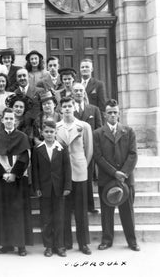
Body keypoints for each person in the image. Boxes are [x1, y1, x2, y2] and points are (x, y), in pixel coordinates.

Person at [93, 99, 140, 251]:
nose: (112, 115)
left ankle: (132, 241)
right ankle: (107, 240)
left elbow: (133, 154)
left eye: (115, 112)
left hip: (125, 180)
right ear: (104, 115)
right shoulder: (98, 134)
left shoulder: (129, 131)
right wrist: (114, 173)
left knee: (127, 211)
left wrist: (124, 173)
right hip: (107, 179)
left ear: (119, 114)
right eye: (109, 113)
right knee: (107, 212)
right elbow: (98, 157)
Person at [0, 108, 33, 256]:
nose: (9, 121)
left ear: (16, 121)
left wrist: (14, 174)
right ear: (2, 121)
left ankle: (21, 245)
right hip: (3, 180)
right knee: (4, 212)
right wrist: (3, 174)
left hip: (18, 181)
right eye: (6, 118)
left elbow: (25, 158)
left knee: (18, 213)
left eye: (11, 118)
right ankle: (6, 244)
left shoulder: (22, 137)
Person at [56, 96, 93, 255]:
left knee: (81, 209)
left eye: (70, 106)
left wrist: (82, 163)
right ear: (60, 109)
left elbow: (89, 150)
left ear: (74, 107)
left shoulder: (83, 126)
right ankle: (66, 242)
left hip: (79, 170)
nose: (67, 109)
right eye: (64, 106)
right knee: (64, 209)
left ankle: (83, 243)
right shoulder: (57, 127)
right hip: (63, 174)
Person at [32, 120, 72, 257]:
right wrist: (37, 187)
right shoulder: (38, 149)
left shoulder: (62, 148)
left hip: (59, 188)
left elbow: (67, 168)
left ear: (56, 133)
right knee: (46, 218)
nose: (49, 134)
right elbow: (35, 170)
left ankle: (59, 245)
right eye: (46, 132)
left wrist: (67, 186)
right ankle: (48, 246)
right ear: (42, 133)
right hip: (44, 189)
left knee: (59, 218)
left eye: (52, 132)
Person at [73, 82, 102, 214]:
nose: (78, 93)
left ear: (84, 93)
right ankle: (73, 206)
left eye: (81, 90)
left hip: (89, 148)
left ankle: (89, 205)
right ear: (72, 93)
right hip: (73, 148)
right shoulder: (68, 109)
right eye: (76, 91)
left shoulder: (93, 109)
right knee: (73, 176)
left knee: (88, 176)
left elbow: (99, 129)